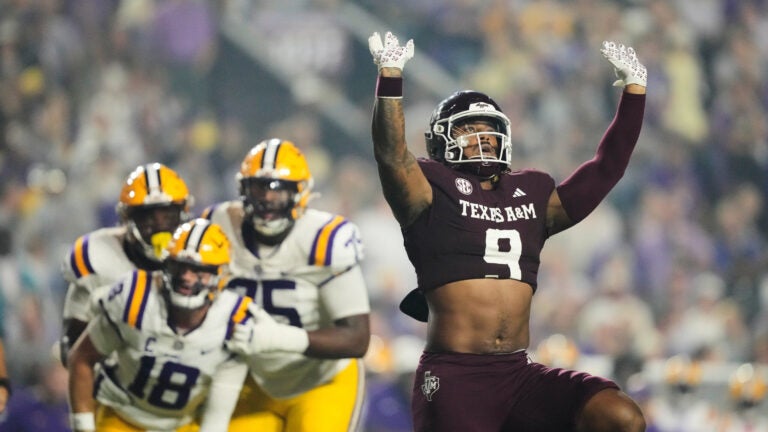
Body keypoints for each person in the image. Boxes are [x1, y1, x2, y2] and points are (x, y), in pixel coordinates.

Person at [368, 31, 647, 431]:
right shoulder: (428, 188)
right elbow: (391, 155)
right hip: (455, 374)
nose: (481, 137)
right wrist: (390, 77)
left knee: (620, 415)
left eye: (487, 128)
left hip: (518, 372)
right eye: (467, 129)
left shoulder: (531, 192)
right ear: (440, 141)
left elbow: (606, 169)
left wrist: (635, 93)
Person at [202, 138, 370, 431]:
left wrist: (278, 338)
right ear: (243, 189)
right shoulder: (217, 225)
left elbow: (356, 338)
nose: (268, 197)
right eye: (259, 186)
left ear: (301, 192)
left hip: (321, 381)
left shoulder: (324, 238)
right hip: (253, 378)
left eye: (279, 189)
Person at [67, 218, 252, 432]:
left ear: (221, 275)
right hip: (123, 416)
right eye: (179, 266)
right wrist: (83, 427)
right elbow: (81, 359)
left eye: (198, 270)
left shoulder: (235, 321)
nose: (186, 277)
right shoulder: (136, 299)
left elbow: (217, 415)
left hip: (183, 422)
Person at [58, 163, 193, 365]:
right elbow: (73, 351)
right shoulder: (97, 257)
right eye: (148, 216)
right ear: (126, 218)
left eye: (168, 216)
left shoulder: (198, 256)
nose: (159, 226)